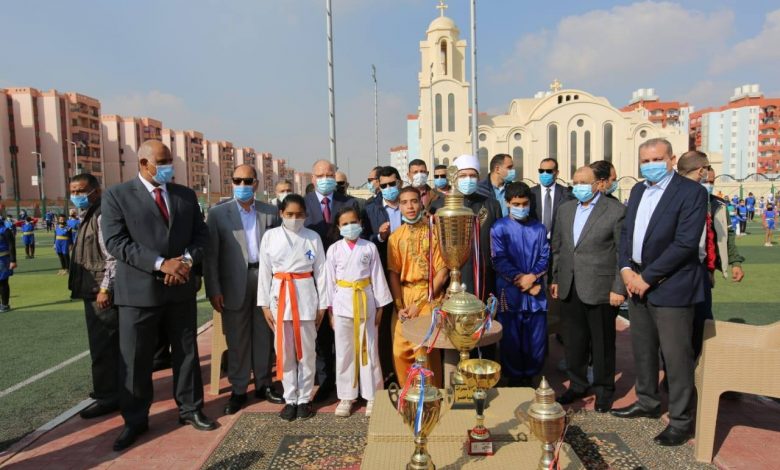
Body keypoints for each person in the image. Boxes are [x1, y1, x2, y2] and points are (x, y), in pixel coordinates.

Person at [101, 140, 214, 451]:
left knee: (186, 352)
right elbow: (116, 242)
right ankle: (135, 420)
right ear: (143, 164)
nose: (168, 167)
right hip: (138, 293)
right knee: (135, 359)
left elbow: (201, 236)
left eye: (169, 161)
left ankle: (190, 409)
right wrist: (161, 263)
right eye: (162, 162)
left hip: (180, 288)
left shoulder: (185, 195)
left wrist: (184, 262)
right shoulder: (117, 196)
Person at [612, 138, 707, 447]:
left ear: (671, 159)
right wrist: (626, 269)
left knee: (676, 356)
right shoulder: (639, 190)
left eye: (656, 159)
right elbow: (626, 233)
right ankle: (647, 401)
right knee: (644, 349)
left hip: (671, 286)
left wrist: (648, 278)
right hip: (636, 281)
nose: (650, 165)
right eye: (645, 160)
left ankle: (680, 420)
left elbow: (685, 243)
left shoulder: (691, 192)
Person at [205, 165, 285, 416]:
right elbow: (211, 256)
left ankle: (264, 383)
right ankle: (239, 389)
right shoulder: (218, 214)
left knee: (264, 334)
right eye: (237, 180)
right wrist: (213, 289)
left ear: (256, 184)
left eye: (247, 181)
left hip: (264, 279)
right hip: (232, 283)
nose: (242, 185)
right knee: (237, 338)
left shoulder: (270, 212)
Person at [550, 166, 626, 411]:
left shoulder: (615, 211)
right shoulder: (565, 210)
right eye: (575, 182)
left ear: (599, 184)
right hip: (569, 286)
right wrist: (555, 278)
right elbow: (558, 248)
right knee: (574, 341)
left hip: (601, 288)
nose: (579, 187)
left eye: (584, 182)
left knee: (602, 343)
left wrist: (618, 287)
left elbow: (622, 253)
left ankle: (604, 391)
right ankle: (577, 385)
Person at [257, 194, 328, 421]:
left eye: (299, 214)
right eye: (289, 214)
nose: (294, 218)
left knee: (306, 352)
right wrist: (264, 304)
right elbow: (264, 271)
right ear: (281, 214)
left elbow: (322, 273)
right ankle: (290, 399)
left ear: (306, 215)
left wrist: (323, 305)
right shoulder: (270, 237)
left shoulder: (313, 237)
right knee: (284, 352)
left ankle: (304, 398)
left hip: (305, 297)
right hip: (280, 297)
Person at [325, 207, 392, 417]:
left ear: (361, 223)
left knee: (369, 349)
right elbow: (329, 282)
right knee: (344, 351)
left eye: (353, 222)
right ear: (338, 227)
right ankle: (346, 396)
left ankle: (372, 395)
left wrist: (380, 307)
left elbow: (378, 277)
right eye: (345, 224)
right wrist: (330, 312)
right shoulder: (334, 250)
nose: (350, 226)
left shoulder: (369, 247)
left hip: (366, 301)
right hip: (342, 303)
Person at [677, 152, 745, 358]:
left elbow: (726, 236)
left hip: (705, 271)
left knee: (703, 319)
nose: (709, 184)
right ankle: (676, 368)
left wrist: (734, 262)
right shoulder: (676, 199)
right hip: (679, 270)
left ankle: (699, 363)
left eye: (713, 181)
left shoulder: (717, 205)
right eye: (708, 179)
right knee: (678, 323)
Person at [303, 159, 360, 402]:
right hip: (315, 276)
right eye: (320, 175)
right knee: (322, 332)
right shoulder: (303, 204)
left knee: (346, 330)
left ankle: (351, 382)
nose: (325, 179)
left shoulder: (349, 203)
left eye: (329, 175)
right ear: (313, 179)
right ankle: (326, 382)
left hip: (346, 277)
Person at [67, 173, 120, 419]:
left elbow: (112, 256)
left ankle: (108, 396)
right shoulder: (89, 214)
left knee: (103, 346)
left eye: (80, 191)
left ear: (95, 191)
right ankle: (110, 389)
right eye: (73, 191)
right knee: (106, 345)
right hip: (93, 289)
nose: (76, 196)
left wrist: (105, 288)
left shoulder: (101, 215)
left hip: (100, 292)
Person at [387, 187, 448, 387]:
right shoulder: (395, 237)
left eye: (414, 201)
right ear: (399, 206)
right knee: (400, 351)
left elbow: (442, 272)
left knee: (422, 349)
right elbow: (393, 273)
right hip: (404, 295)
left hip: (429, 295)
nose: (410, 206)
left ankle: (430, 396)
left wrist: (421, 303)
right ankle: (408, 397)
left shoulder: (434, 232)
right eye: (404, 202)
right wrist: (399, 306)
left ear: (421, 202)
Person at [491, 182, 549, 387]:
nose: (521, 207)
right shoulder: (499, 228)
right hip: (510, 293)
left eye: (524, 204)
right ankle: (514, 379)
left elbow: (545, 256)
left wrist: (533, 277)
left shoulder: (539, 228)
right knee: (511, 339)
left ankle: (531, 376)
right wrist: (523, 281)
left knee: (536, 339)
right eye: (516, 204)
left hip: (536, 293)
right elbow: (499, 260)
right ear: (507, 203)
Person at [363, 165, 404, 385]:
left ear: (400, 182)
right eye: (384, 185)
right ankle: (388, 372)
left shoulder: (409, 203)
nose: (389, 188)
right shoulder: (371, 208)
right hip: (383, 273)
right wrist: (379, 237)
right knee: (385, 324)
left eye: (392, 184)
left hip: (409, 272)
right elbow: (364, 240)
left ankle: (411, 370)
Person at [531, 158, 572, 239]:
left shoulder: (566, 194)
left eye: (549, 171)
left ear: (556, 173)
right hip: (535, 239)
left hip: (558, 240)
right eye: (541, 171)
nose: (544, 174)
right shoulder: (531, 193)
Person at [0, 217, 17, 313]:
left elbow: (11, 245)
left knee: (3, 282)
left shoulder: (5, 230)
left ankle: (5, 304)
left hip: (3, 259)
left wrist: (13, 260)